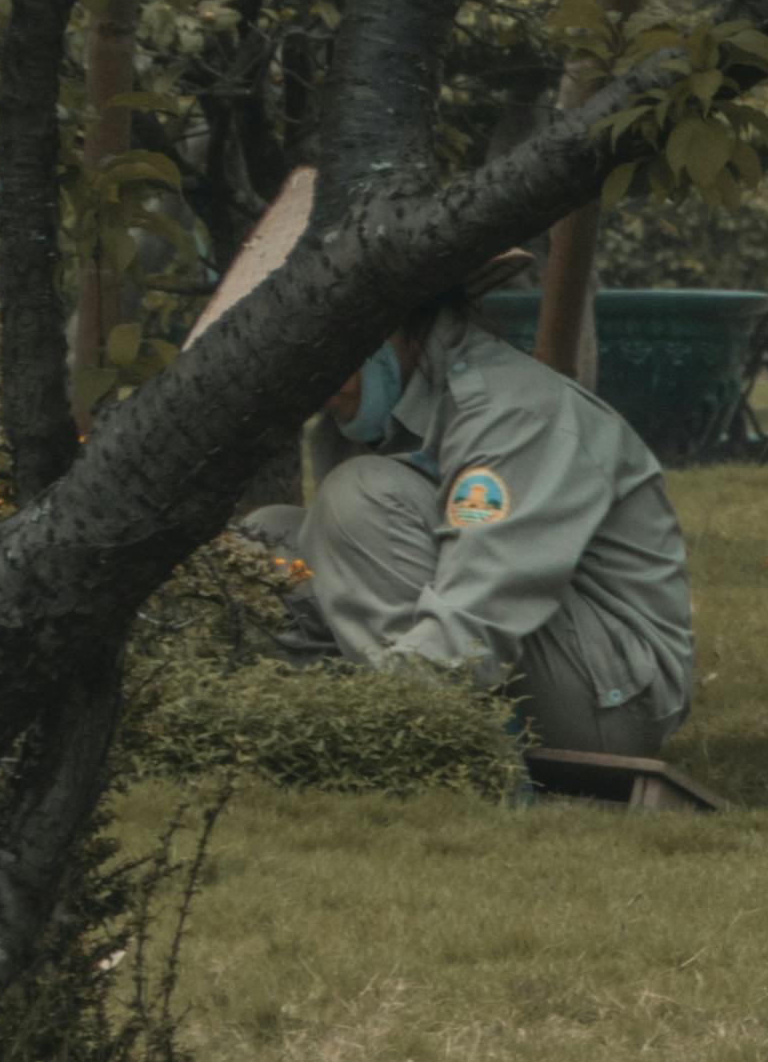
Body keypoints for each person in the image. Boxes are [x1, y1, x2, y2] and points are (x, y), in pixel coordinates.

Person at [204, 181, 697, 758]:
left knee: (356, 496)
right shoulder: (368, 415)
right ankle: (328, 725)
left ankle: (419, 741)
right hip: (530, 660)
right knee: (272, 537)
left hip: (612, 699)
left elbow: (485, 604)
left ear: (403, 322)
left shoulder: (511, 413)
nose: (316, 370)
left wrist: (392, 714)